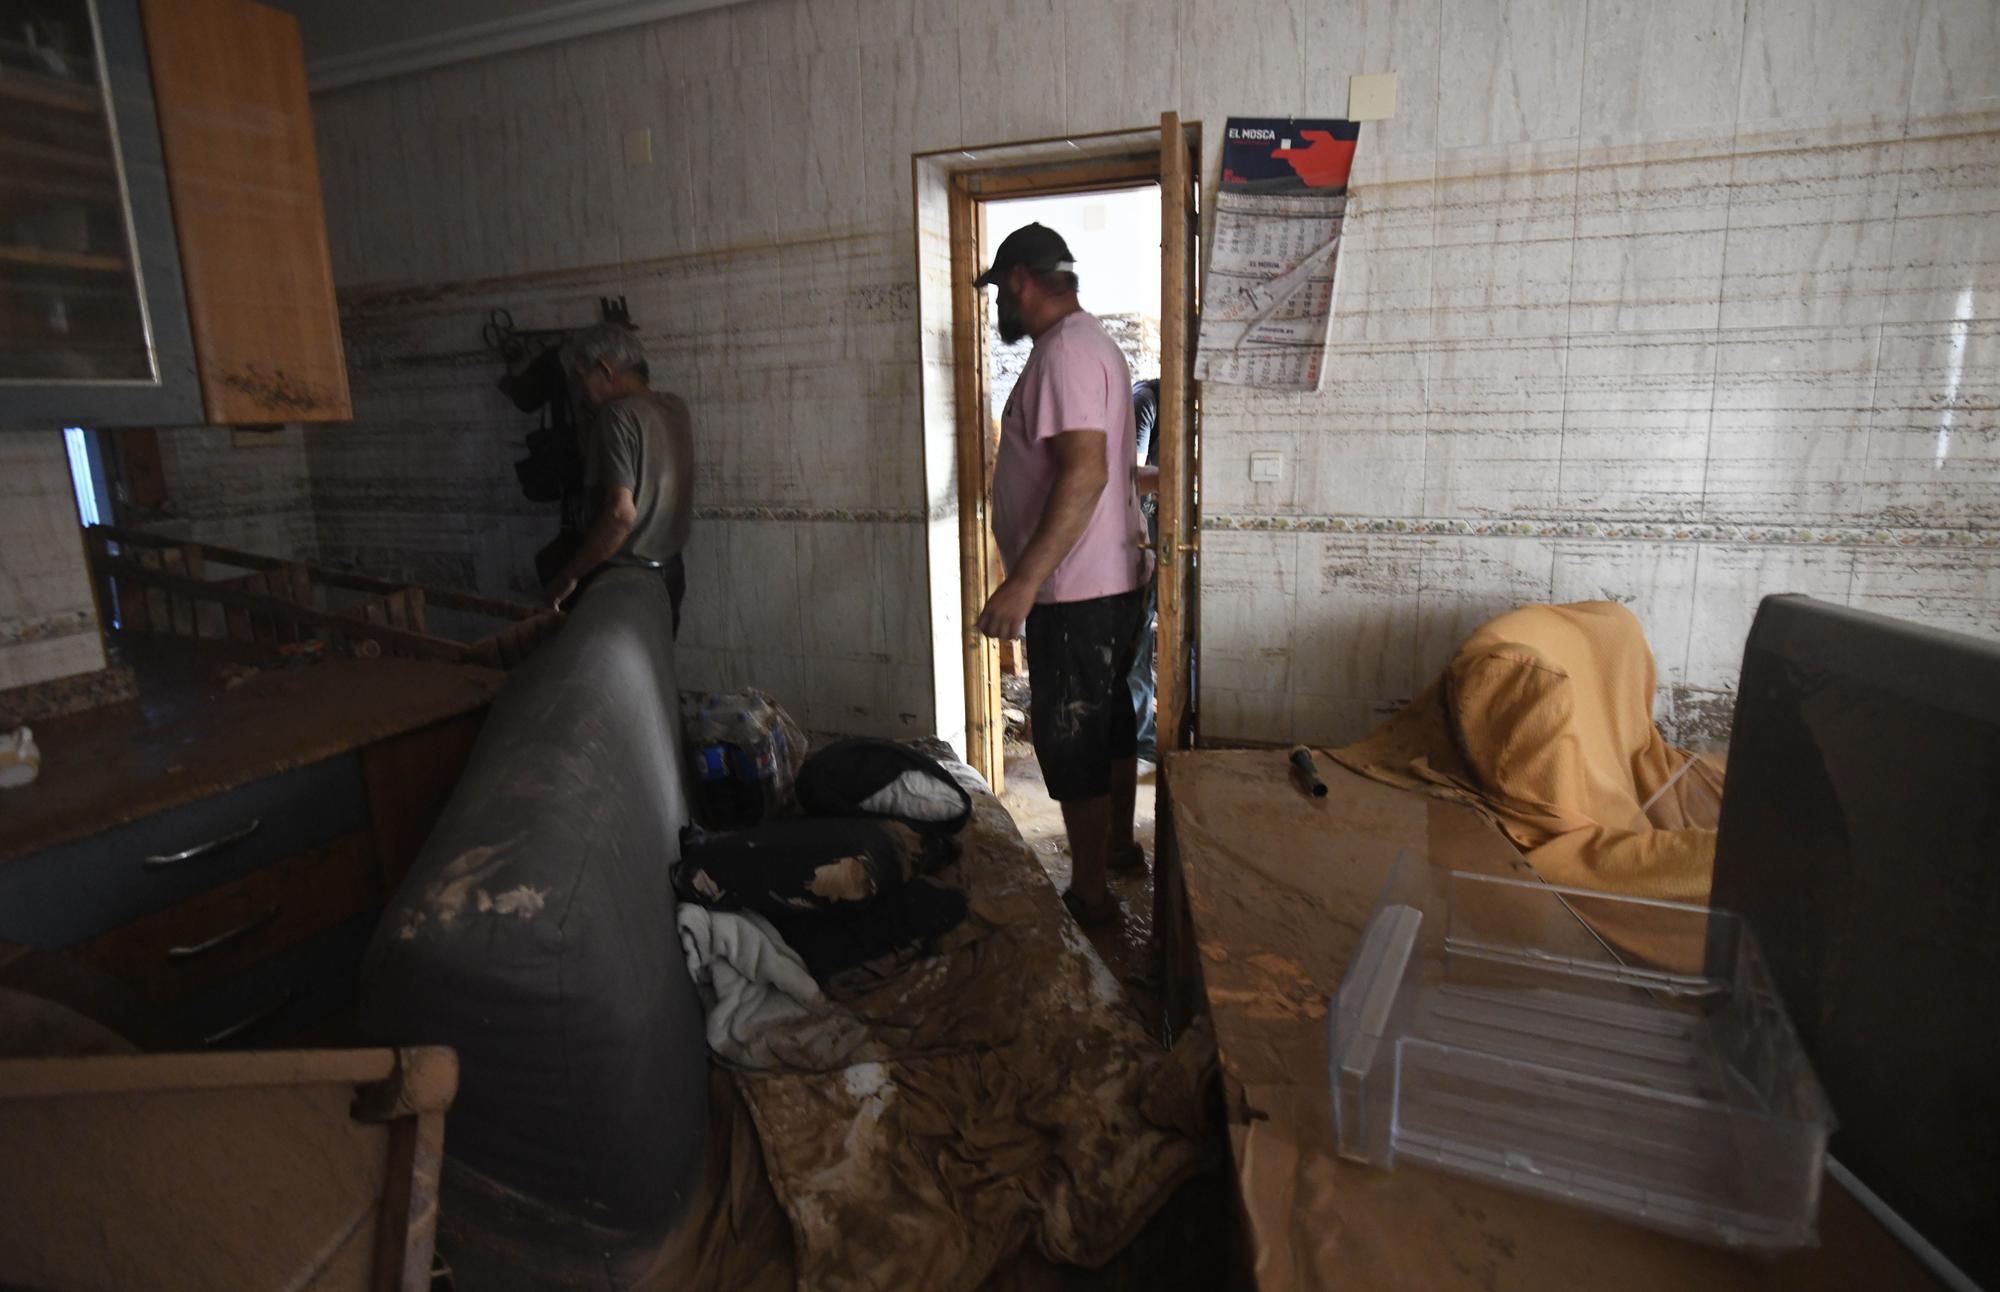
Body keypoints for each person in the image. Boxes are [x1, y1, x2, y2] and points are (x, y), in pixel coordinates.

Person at [973, 223, 1152, 928]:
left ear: (1020, 280)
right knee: (1105, 725)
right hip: (1102, 579)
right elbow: (1104, 469)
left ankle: (1090, 896)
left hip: (1076, 589)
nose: (999, 310)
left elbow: (1081, 474)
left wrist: (1022, 582)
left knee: (1072, 736)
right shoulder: (1087, 345)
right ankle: (1114, 855)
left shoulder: (1066, 353)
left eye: (1000, 293)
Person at [544, 323, 694, 634]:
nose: (580, 389)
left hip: (625, 580)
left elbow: (619, 515)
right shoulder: (674, 406)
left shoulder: (616, 417)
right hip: (671, 571)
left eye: (580, 376)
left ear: (605, 369)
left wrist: (568, 576)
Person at [1129, 377, 1162, 763]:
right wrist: (1179, 478)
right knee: (1137, 640)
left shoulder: (1187, 406)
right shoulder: (1145, 402)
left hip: (1161, 535)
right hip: (1139, 541)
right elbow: (1129, 476)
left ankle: (1153, 727)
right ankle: (1140, 736)